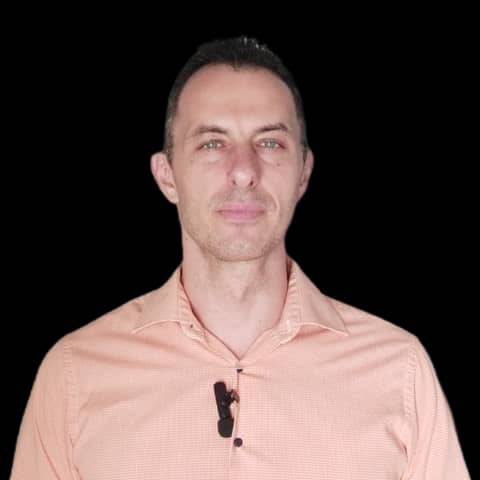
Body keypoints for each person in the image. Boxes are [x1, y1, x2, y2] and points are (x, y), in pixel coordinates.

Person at [11, 36, 469, 479]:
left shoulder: (399, 371)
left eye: (270, 143)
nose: (244, 172)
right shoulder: (74, 375)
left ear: (303, 173)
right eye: (212, 143)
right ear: (167, 176)